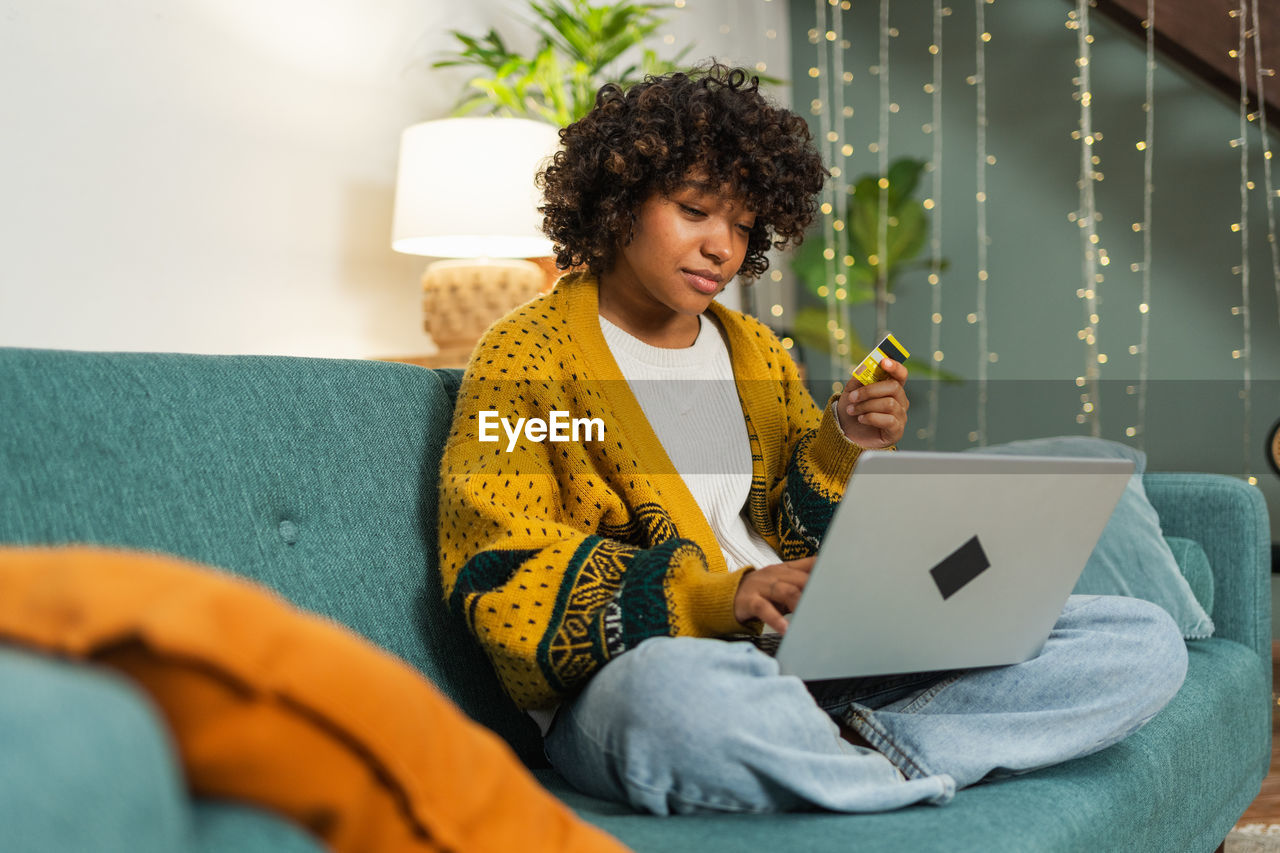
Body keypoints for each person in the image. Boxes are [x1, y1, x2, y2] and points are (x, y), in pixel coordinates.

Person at [437, 64, 1187, 816]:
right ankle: (865, 753)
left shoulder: (755, 350)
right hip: (658, 674)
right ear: (618, 196)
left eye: (742, 225)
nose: (722, 249)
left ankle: (867, 754)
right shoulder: (526, 356)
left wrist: (844, 441)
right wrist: (720, 596)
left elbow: (807, 533)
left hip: (818, 664)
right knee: (666, 701)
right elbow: (503, 572)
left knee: (1138, 638)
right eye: (696, 210)